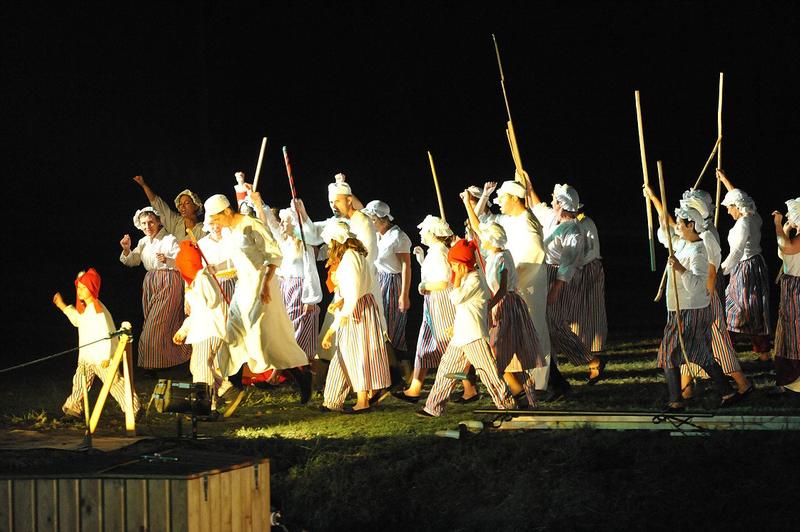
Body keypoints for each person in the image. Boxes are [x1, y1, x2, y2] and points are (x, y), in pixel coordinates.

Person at [203, 194, 312, 403]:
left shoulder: (250, 225)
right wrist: (216, 268)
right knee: (233, 335)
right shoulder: (230, 232)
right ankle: (234, 388)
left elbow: (273, 254)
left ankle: (301, 376)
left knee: (264, 339)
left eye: (216, 218)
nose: (215, 223)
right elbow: (239, 259)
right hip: (243, 288)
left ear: (227, 211)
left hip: (263, 286)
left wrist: (265, 284)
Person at [646, 187, 752, 399]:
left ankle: (679, 399)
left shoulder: (705, 239)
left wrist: (706, 296)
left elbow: (709, 273)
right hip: (688, 304)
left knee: (686, 349)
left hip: (701, 300)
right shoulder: (685, 240)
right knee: (700, 352)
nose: (677, 225)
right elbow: (667, 225)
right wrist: (654, 198)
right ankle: (711, 391)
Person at [417, 239, 516, 417]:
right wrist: (454, 327)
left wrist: (458, 280)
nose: (453, 269)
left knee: (488, 373)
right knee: (446, 371)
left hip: (473, 335)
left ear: (463, 265)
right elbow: (463, 308)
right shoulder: (468, 279)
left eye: (454, 265)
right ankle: (433, 407)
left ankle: (507, 405)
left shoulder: (475, 280)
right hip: (461, 335)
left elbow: (455, 299)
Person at [463, 194, 546, 406]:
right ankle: (522, 396)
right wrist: (467, 204)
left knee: (497, 354)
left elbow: (501, 288)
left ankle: (517, 397)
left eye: (485, 238)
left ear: (491, 240)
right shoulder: (496, 255)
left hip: (505, 307)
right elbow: (477, 226)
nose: (482, 240)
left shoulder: (501, 258)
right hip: (503, 305)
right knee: (500, 356)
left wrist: (488, 305)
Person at [481, 179, 553, 395]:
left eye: (502, 198)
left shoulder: (527, 221)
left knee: (535, 330)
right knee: (522, 332)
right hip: (514, 286)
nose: (499, 203)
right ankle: (527, 380)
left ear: (514, 198)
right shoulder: (513, 219)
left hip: (527, 286)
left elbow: (534, 253)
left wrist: (514, 280)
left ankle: (539, 383)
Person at [529, 182, 604, 385]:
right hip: (546, 272)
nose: (551, 201)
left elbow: (568, 263)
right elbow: (537, 207)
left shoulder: (574, 231)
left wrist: (556, 288)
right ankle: (547, 373)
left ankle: (590, 359)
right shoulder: (554, 218)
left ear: (561, 204)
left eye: (554, 199)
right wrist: (528, 185)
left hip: (560, 279)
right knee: (544, 324)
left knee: (554, 324)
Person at [320, 221, 391, 413]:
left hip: (357, 312)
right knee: (347, 354)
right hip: (361, 306)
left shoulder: (350, 259)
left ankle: (362, 401)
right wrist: (340, 302)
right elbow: (356, 289)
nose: (328, 247)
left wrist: (332, 328)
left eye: (330, 243)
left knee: (356, 354)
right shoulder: (355, 256)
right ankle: (333, 400)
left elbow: (353, 295)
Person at [53, 268, 140, 420]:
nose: (79, 291)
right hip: (87, 356)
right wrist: (62, 306)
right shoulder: (88, 309)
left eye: (82, 288)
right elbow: (78, 321)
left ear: (91, 289)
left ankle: (134, 408)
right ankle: (73, 409)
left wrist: (106, 357)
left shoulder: (97, 310)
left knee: (114, 383)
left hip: (100, 358)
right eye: (78, 288)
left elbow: (106, 333)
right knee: (80, 382)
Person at [251, 191, 322, 364]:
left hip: (300, 289)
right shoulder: (283, 242)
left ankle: (301, 366)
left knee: (298, 326)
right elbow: (270, 224)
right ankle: (285, 367)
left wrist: (310, 299)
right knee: (284, 326)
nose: (281, 225)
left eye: (285, 222)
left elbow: (310, 271)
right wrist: (259, 203)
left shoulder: (305, 246)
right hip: (285, 287)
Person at [392, 215, 455, 402]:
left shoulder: (439, 252)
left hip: (441, 303)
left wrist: (424, 287)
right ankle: (415, 389)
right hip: (432, 305)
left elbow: (444, 282)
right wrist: (421, 261)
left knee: (448, 348)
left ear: (434, 233)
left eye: (424, 230)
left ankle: (468, 386)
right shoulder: (435, 251)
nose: (421, 233)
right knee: (424, 346)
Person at [120, 207, 190, 370]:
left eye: (151, 222)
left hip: (168, 280)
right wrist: (126, 249)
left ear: (158, 221)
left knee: (156, 323)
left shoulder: (169, 239)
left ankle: (152, 365)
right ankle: (164, 363)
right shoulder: (143, 242)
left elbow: (181, 262)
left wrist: (168, 259)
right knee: (158, 324)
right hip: (151, 282)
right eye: (144, 223)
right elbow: (132, 261)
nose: (147, 226)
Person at [717, 169, 771, 357]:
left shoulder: (743, 224)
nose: (727, 211)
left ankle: (728, 347)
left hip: (745, 267)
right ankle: (762, 352)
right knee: (753, 308)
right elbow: (740, 197)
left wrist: (720, 270)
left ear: (737, 207)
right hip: (754, 265)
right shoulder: (753, 216)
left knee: (738, 308)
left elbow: (737, 251)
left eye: (729, 207)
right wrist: (725, 180)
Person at [172, 241, 227, 408]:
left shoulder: (202, 280)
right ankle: (224, 390)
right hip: (204, 330)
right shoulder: (198, 281)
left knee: (202, 368)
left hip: (208, 330)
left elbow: (203, 310)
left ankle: (207, 406)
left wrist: (185, 329)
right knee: (198, 366)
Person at [362, 200, 412, 365]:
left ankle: (400, 369)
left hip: (393, 282)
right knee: (377, 323)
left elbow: (406, 266)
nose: (370, 223)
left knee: (392, 326)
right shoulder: (377, 235)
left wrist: (404, 295)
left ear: (380, 219)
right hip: (378, 280)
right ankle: (383, 366)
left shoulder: (398, 236)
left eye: (372, 220)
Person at [772, 198, 800, 393]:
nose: (789, 217)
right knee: (786, 333)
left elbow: (786, 247)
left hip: (797, 288)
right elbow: (783, 253)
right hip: (791, 286)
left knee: (795, 333)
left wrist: (777, 226)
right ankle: (787, 381)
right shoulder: (797, 235)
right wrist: (786, 229)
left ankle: (794, 381)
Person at [573, 206, 608, 353]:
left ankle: (594, 349)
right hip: (582, 268)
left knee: (592, 311)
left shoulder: (585, 223)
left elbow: (589, 250)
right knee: (577, 311)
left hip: (589, 268)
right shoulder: (577, 223)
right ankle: (580, 347)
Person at [132, 175, 206, 241]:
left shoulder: (202, 229)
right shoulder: (176, 222)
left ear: (196, 206)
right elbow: (159, 205)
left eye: (187, 203)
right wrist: (144, 185)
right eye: (180, 204)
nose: (182, 207)